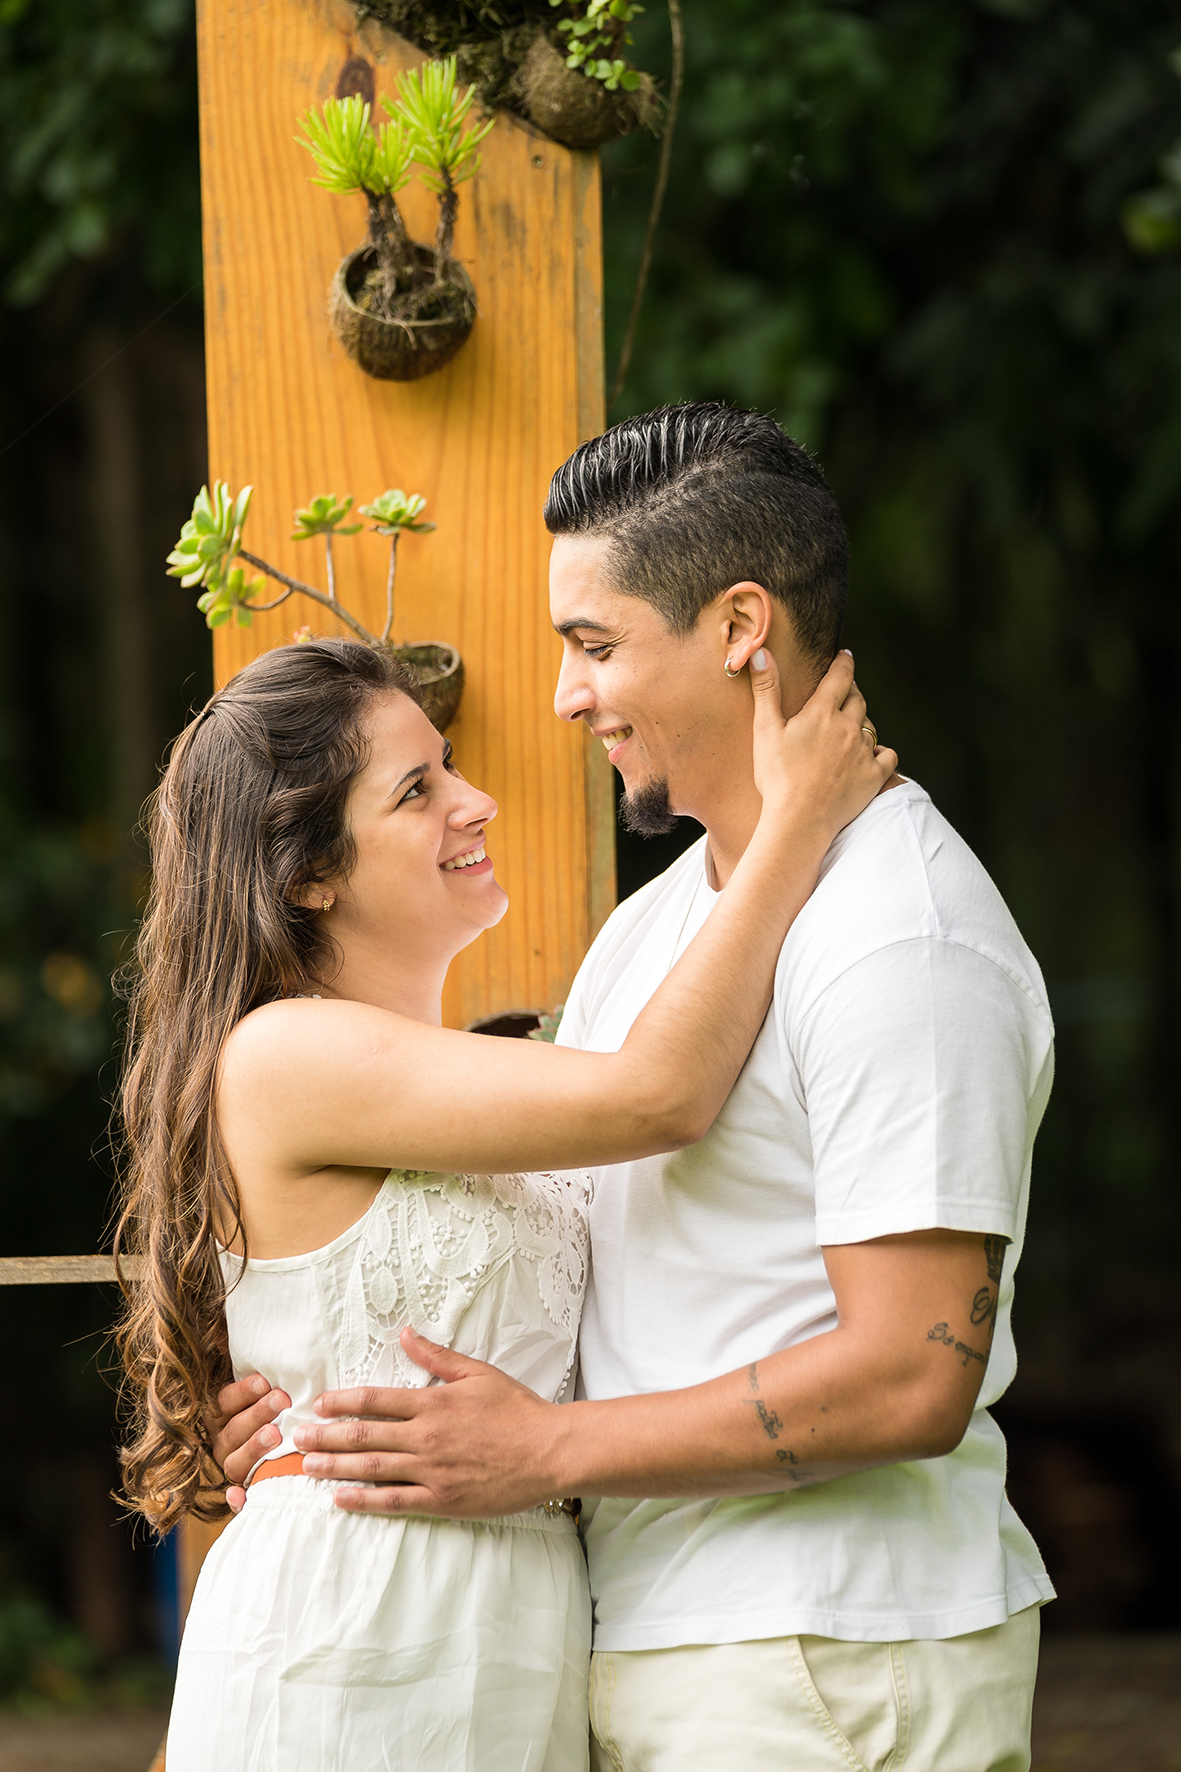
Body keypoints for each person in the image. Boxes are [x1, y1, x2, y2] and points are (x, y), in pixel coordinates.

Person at [216, 403, 1057, 1772]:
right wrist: (302, 1389)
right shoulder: (660, 935)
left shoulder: (899, 931)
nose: (562, 697)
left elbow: (914, 1373)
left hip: (827, 1655)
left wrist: (547, 1452)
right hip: (643, 1648)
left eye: (593, 646)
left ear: (737, 628)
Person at [115, 630, 891, 1769]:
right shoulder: (282, 1054)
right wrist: (794, 825)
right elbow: (659, 1094)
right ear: (307, 873)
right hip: (357, 1625)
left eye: (450, 766)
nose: (475, 801)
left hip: (515, 1635)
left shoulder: (473, 1083)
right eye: (417, 789)